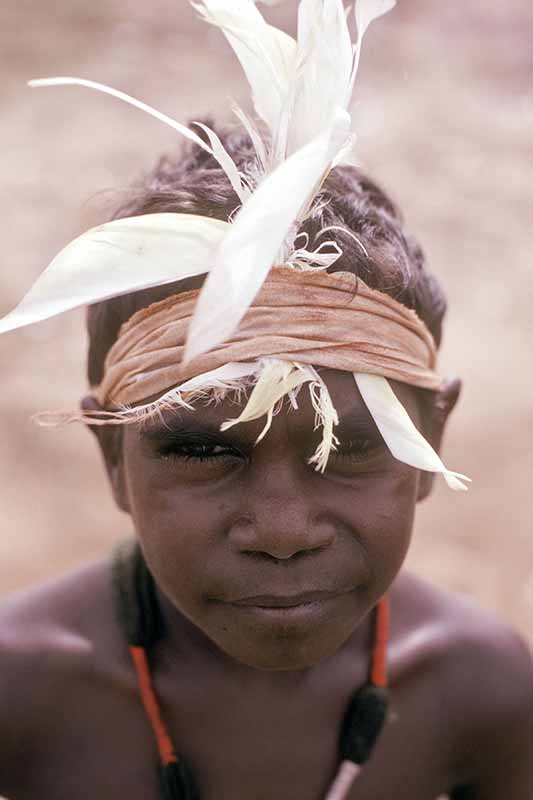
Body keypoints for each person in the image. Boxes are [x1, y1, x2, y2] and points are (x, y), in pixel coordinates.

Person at [0, 1, 532, 798]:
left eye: (348, 448)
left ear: (430, 440)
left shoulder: (476, 686)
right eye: (204, 451)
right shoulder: (22, 690)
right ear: (114, 455)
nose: (281, 532)